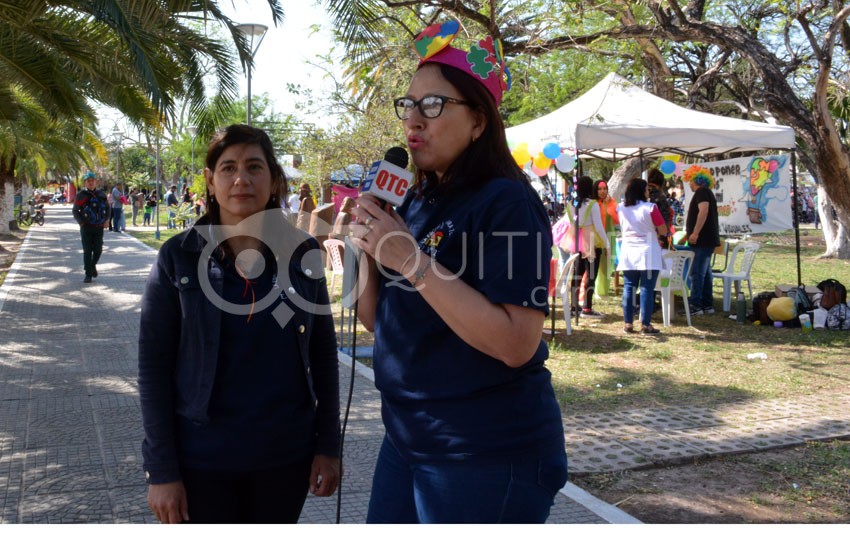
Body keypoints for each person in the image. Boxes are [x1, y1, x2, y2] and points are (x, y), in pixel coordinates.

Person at [348, 22, 568, 523]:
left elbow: (516, 343)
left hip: (484, 452)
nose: (414, 119)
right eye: (408, 104)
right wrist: (363, 247)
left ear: (478, 122)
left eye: (433, 105)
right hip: (407, 439)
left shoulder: (507, 203)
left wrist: (409, 260)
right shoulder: (417, 200)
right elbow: (376, 321)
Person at [138, 124, 341, 524]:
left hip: (285, 459)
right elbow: (153, 367)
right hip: (203, 462)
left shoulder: (301, 254)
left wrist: (329, 446)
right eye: (228, 168)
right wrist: (161, 470)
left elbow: (323, 353)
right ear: (210, 181)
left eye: (254, 166)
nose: (241, 179)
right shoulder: (177, 258)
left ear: (274, 179)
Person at [617, 178, 668, 335]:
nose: (648, 192)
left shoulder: (621, 208)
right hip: (648, 250)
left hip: (629, 250)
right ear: (641, 191)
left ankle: (628, 322)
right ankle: (645, 324)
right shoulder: (650, 208)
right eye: (646, 189)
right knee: (647, 288)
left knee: (629, 286)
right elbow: (663, 230)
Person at [560, 175, 609, 318]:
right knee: (591, 274)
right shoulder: (592, 204)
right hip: (592, 241)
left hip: (575, 240)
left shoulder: (570, 204)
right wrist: (606, 244)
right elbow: (599, 227)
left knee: (577, 273)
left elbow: (570, 222)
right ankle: (587, 307)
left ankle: (574, 306)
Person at [683, 165, 720, 315]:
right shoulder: (706, 192)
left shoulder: (702, 192)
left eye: (690, 181)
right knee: (705, 272)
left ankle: (696, 305)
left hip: (702, 239)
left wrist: (695, 233)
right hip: (706, 239)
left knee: (697, 272)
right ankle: (707, 304)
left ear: (696, 180)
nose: (689, 184)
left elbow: (703, 211)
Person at [72, 172, 108, 283]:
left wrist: (106, 220)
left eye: (92, 180)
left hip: (99, 227)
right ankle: (88, 274)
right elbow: (75, 210)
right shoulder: (81, 195)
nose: (91, 182)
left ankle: (91, 266)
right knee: (87, 251)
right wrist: (81, 223)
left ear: (95, 181)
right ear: (85, 183)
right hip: (86, 228)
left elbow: (108, 208)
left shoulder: (101, 194)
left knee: (98, 250)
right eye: (88, 181)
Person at [592, 179, 619, 297]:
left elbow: (617, 219)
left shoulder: (611, 202)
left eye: (605, 189)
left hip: (609, 236)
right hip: (595, 238)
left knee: (607, 264)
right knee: (594, 266)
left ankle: (602, 291)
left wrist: (610, 204)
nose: (603, 191)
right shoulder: (593, 203)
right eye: (600, 189)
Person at [647, 168, 673, 248]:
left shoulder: (641, 195)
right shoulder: (660, 197)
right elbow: (665, 219)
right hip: (659, 236)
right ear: (661, 183)